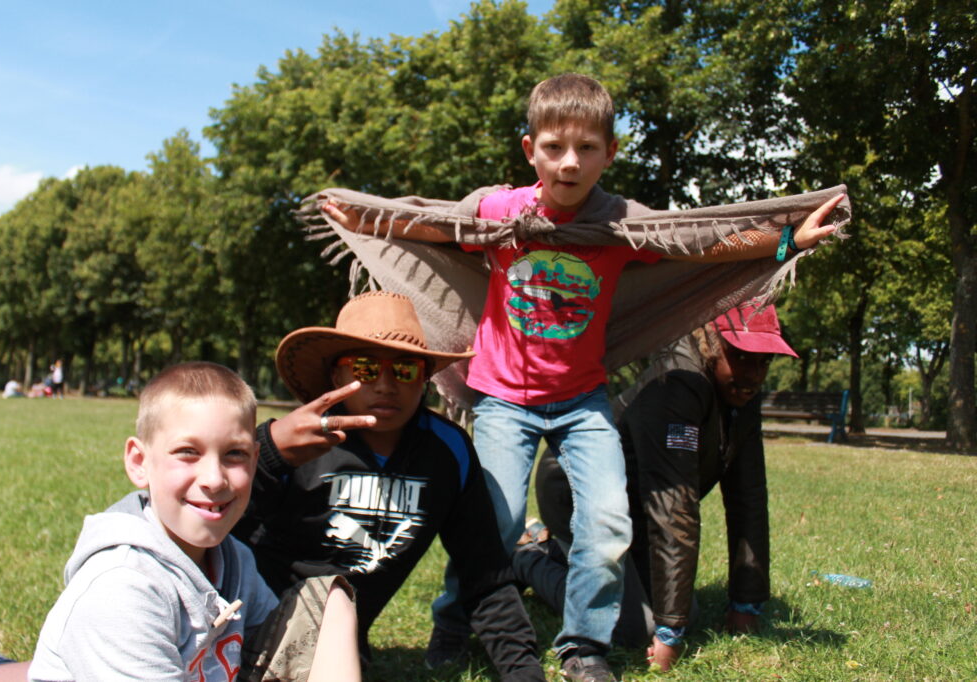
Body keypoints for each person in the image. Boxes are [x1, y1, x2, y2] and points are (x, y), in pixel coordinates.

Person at [321, 73, 843, 682]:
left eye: (587, 149)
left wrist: (784, 240)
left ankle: (582, 646)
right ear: (530, 150)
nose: (569, 163)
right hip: (503, 400)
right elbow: (445, 227)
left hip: (581, 400)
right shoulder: (502, 210)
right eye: (554, 148)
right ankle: (455, 621)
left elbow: (701, 243)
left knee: (608, 522)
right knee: (494, 522)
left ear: (610, 153)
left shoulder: (623, 221)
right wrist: (368, 221)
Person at [0, 362, 360, 682]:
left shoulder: (234, 559)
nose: (214, 479)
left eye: (234, 454)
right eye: (187, 452)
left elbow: (274, 653)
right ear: (139, 462)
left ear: (255, 461)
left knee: (331, 602)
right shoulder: (122, 589)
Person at [233, 291, 547, 681]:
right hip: (245, 620)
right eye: (364, 367)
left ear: (425, 378)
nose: (385, 384)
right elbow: (215, 535)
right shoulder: (293, 440)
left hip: (336, 635)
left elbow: (485, 576)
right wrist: (266, 454)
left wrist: (525, 674)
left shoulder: (448, 453)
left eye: (404, 369)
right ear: (337, 376)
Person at [516, 302, 796, 673]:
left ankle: (558, 551)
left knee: (686, 611)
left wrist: (746, 602)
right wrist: (670, 630)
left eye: (764, 361)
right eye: (742, 356)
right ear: (712, 343)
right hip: (574, 492)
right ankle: (526, 560)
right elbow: (673, 506)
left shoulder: (741, 391)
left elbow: (749, 497)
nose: (754, 374)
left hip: (638, 508)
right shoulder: (677, 384)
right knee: (635, 626)